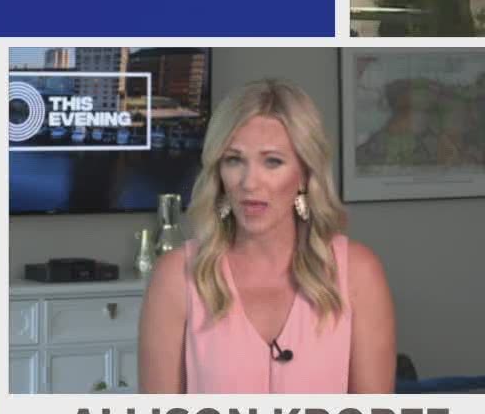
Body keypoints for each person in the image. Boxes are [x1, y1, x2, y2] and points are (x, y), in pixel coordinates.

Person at [138, 78, 396, 393]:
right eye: (234, 160)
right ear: (219, 172)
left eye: (272, 161)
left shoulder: (358, 272)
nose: (249, 182)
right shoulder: (176, 277)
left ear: (304, 173)